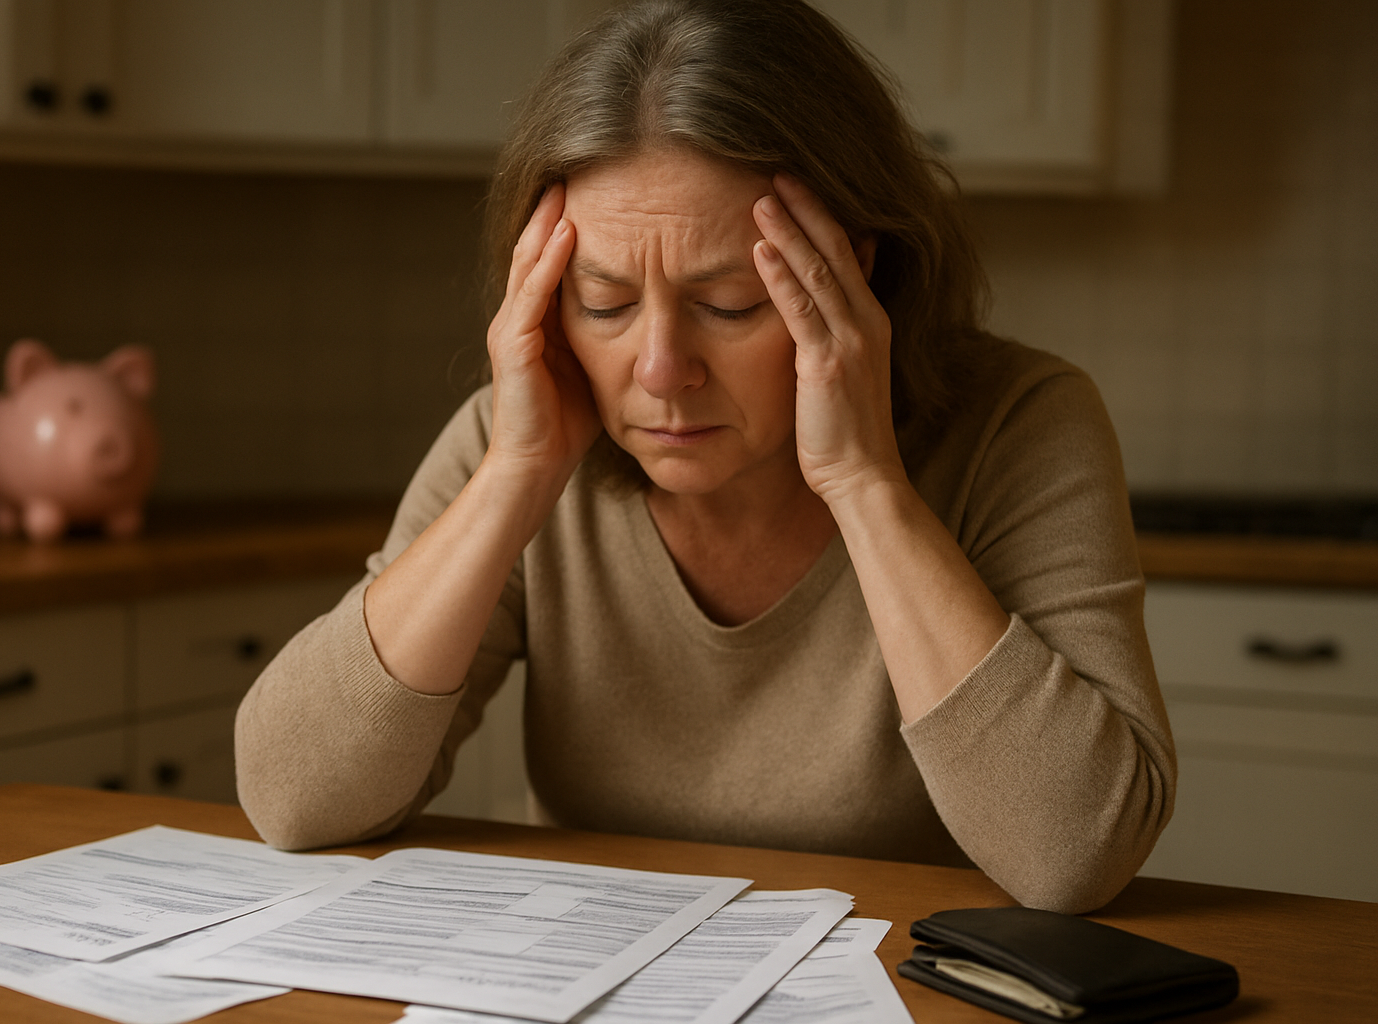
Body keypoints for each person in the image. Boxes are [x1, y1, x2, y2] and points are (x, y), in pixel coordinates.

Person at [235, 0, 1175, 914]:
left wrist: (866, 484)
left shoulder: (1022, 426)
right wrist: (514, 478)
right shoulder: (515, 438)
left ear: (853, 272)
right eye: (602, 303)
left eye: (730, 305)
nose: (658, 370)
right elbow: (293, 802)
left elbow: (1074, 856)